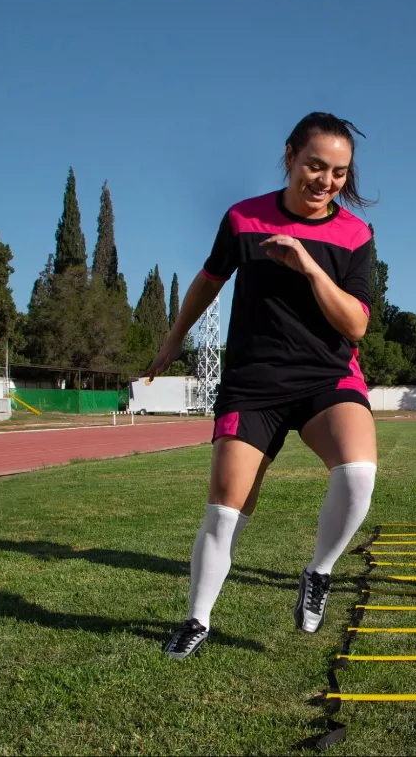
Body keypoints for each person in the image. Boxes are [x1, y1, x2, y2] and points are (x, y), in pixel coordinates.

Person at [145, 112, 378, 659]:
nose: (325, 182)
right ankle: (197, 620)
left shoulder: (355, 234)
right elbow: (209, 278)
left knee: (359, 473)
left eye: (339, 173)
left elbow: (357, 324)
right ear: (291, 155)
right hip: (254, 384)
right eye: (316, 166)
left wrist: (309, 266)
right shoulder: (243, 219)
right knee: (226, 508)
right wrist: (173, 338)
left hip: (328, 378)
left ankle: (318, 572)